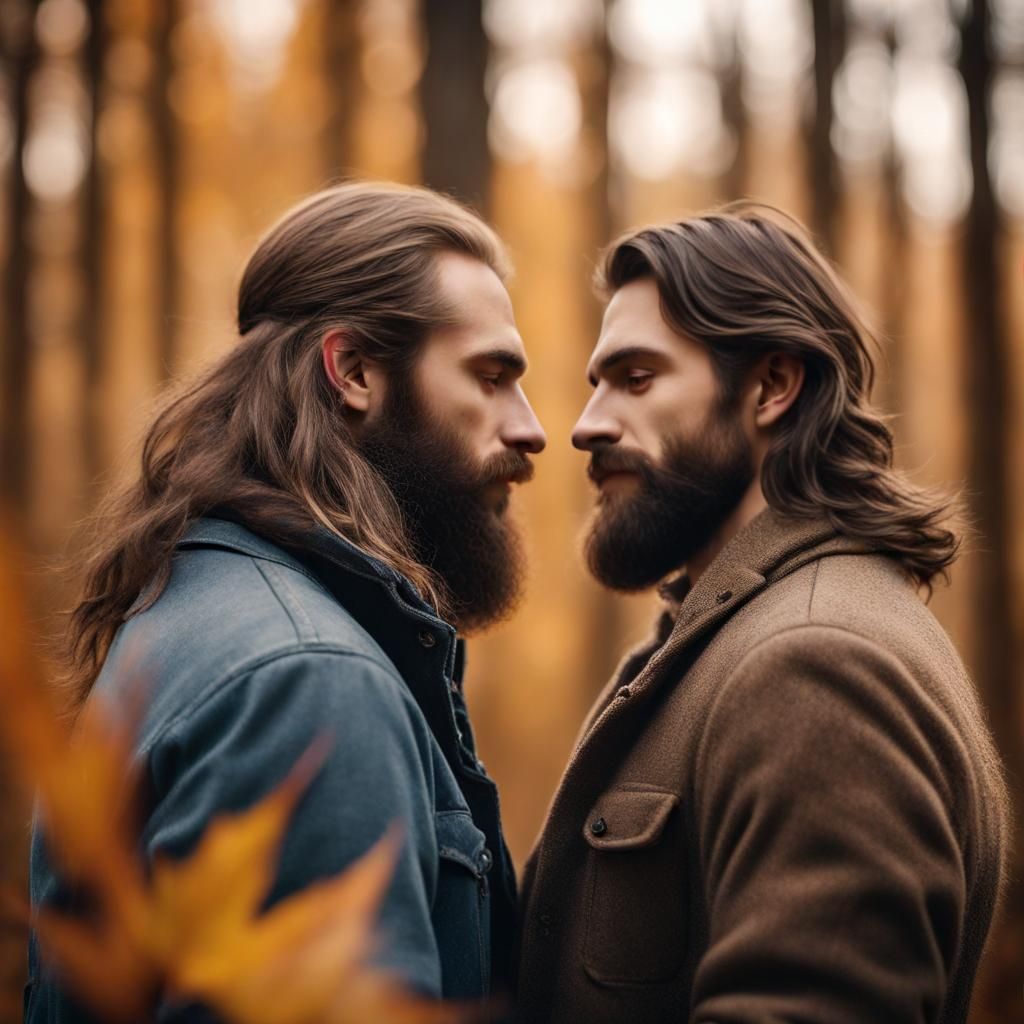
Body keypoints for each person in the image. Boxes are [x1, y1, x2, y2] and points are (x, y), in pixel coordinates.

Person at [26, 182, 546, 1021]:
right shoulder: (308, 680)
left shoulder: (190, 608)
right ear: (353, 371)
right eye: (491, 376)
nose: (531, 429)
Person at [516, 205, 1009, 1024]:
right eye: (596, 383)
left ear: (773, 388)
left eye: (637, 379)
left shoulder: (817, 662)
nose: (586, 424)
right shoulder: (733, 638)